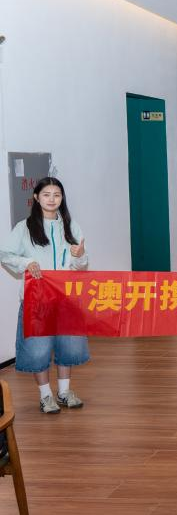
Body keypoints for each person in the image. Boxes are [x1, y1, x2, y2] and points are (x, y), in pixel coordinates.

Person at [0, 177, 89, 414]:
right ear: (37, 198)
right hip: (36, 300)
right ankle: (46, 395)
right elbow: (5, 254)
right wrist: (26, 262)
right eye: (46, 194)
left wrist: (80, 255)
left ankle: (64, 392)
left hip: (66, 299)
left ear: (62, 198)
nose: (52, 199)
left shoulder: (70, 226)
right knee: (37, 349)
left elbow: (81, 264)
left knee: (69, 347)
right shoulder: (25, 227)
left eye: (56, 195)